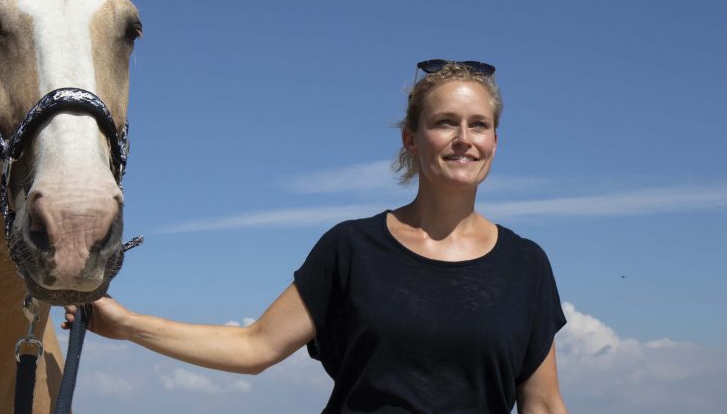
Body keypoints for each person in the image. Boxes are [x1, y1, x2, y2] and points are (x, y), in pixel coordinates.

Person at [65, 61, 568, 413]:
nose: (464, 139)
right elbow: (254, 347)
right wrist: (127, 324)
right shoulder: (352, 249)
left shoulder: (526, 265)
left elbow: (542, 404)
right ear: (411, 139)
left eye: (478, 125)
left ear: (495, 142)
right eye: (444, 123)